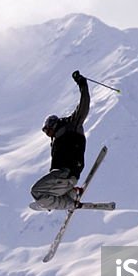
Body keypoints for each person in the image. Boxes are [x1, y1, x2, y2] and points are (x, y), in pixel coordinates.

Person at [30, 70, 90, 210]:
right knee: (44, 191)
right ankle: (71, 194)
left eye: (46, 130)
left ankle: (67, 203)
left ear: (52, 125)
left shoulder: (70, 125)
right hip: (65, 177)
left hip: (66, 173)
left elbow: (83, 107)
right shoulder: (57, 140)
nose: (47, 134)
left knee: (36, 192)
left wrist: (82, 84)